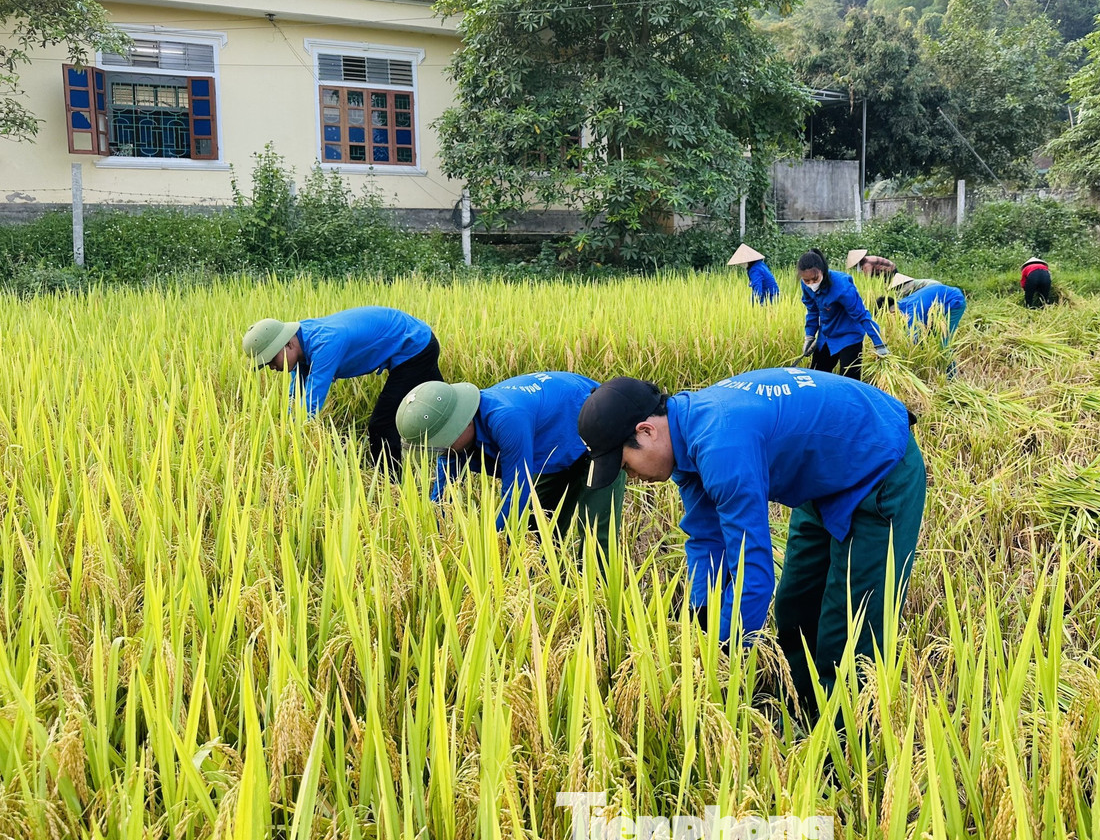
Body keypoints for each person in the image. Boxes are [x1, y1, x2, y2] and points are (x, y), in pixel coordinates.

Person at [575, 368, 926, 714]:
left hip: (878, 466)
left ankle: (840, 750)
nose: (631, 477)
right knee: (796, 607)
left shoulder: (721, 443)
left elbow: (753, 575)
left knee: (849, 627)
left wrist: (722, 656)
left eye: (625, 465)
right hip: (821, 478)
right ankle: (802, 711)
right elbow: (705, 538)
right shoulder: (686, 443)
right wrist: (702, 619)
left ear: (647, 431)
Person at [395, 372, 626, 545]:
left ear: (461, 423)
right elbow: (441, 499)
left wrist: (489, 547)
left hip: (599, 429)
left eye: (443, 443)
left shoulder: (506, 419)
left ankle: (599, 598)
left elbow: (516, 494)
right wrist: (434, 539)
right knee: (537, 529)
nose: (442, 452)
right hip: (552, 447)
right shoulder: (452, 448)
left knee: (596, 531)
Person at [241, 306, 441, 473]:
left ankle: (390, 483)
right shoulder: (301, 341)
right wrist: (284, 428)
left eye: (271, 360)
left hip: (415, 346)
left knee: (382, 424)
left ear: (288, 344)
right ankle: (447, 444)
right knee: (438, 404)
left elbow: (311, 402)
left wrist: (292, 441)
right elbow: (297, 395)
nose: (273, 368)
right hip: (407, 339)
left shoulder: (325, 343)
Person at [798, 248, 887, 382]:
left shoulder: (842, 286)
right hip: (826, 335)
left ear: (823, 271)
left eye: (814, 279)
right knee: (816, 377)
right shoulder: (806, 284)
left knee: (849, 381)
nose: (811, 284)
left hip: (849, 336)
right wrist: (809, 336)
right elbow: (812, 310)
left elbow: (862, 315)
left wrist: (879, 344)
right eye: (807, 281)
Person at [880, 274, 967, 376]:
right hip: (937, 304)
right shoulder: (902, 305)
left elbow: (913, 338)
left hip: (953, 302)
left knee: (941, 343)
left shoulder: (910, 311)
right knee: (931, 338)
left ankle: (951, 376)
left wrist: (902, 359)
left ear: (890, 311)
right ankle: (938, 371)